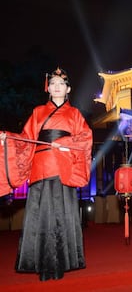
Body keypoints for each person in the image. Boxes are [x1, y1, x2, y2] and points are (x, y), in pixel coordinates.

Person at [0, 67, 93, 281]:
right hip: (41, 167)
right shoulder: (38, 112)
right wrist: (9, 138)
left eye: (61, 83)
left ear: (68, 89)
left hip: (63, 168)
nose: (57, 87)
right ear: (48, 88)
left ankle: (62, 262)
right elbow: (26, 139)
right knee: (41, 215)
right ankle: (41, 263)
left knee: (62, 214)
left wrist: (65, 143)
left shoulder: (75, 114)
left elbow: (86, 138)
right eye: (53, 84)